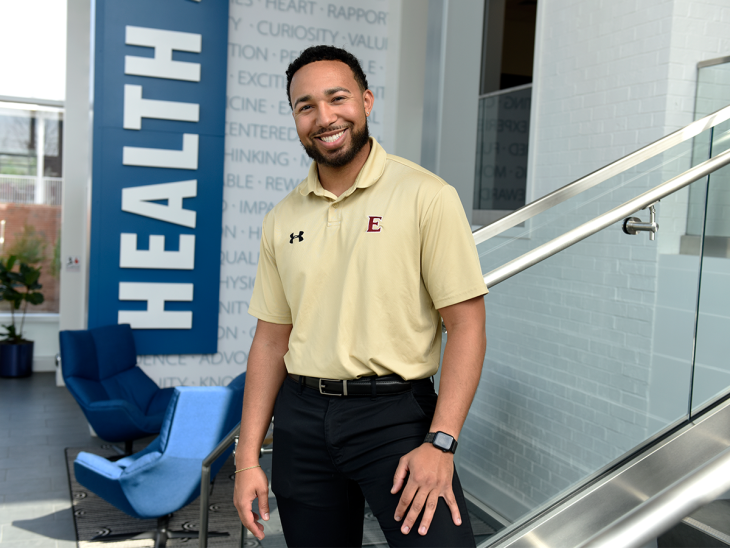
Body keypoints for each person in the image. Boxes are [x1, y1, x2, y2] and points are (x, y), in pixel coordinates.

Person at [233, 45, 487, 547]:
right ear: (295, 118)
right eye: (306, 106)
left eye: (337, 98)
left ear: (366, 101)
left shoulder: (426, 196)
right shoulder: (283, 218)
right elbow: (268, 342)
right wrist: (246, 461)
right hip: (302, 420)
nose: (324, 117)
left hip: (394, 418)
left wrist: (441, 442)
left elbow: (466, 325)